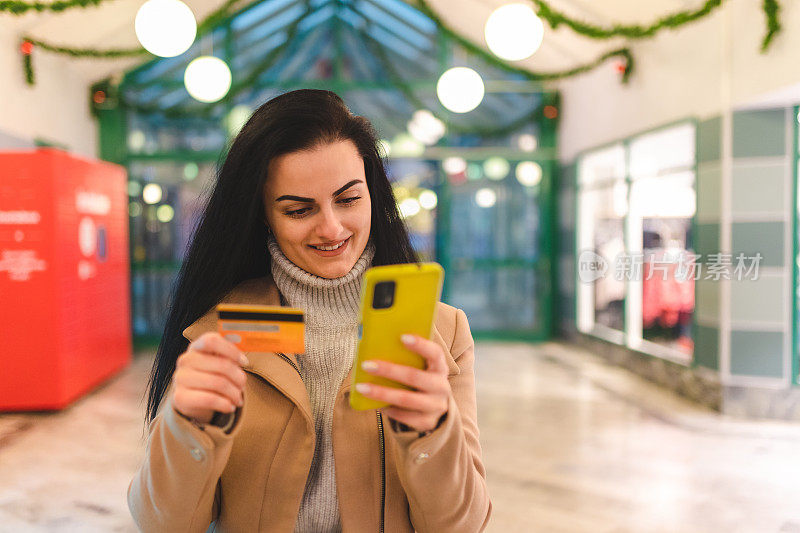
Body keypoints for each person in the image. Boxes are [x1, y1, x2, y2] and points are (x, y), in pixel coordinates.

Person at [128, 89, 491, 532]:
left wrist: (435, 432)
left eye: (349, 199)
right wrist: (185, 427)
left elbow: (463, 524)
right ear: (262, 214)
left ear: (374, 195)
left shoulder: (442, 333)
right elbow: (161, 523)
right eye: (299, 209)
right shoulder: (220, 331)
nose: (332, 228)